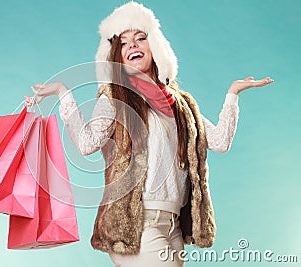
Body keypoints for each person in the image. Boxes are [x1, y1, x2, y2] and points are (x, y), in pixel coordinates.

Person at [24, 2, 273, 266]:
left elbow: (220, 141)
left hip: (172, 225)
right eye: (124, 43)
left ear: (156, 47)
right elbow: (87, 144)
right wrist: (64, 93)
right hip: (136, 225)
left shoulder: (180, 104)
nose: (132, 46)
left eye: (140, 38)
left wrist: (233, 94)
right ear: (116, 56)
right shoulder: (116, 97)